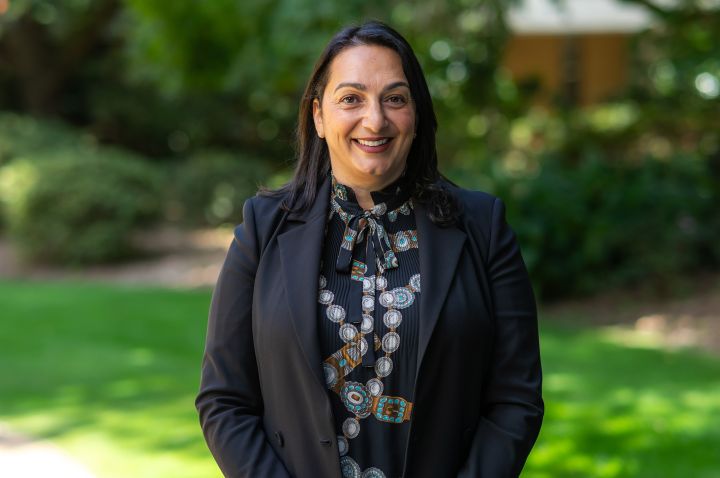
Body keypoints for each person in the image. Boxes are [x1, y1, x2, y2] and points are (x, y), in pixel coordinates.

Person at [196, 21, 543, 478]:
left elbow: (515, 399)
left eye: (395, 98)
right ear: (319, 117)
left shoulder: (483, 227)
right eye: (351, 99)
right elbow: (224, 400)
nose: (375, 120)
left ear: (416, 115)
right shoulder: (263, 228)